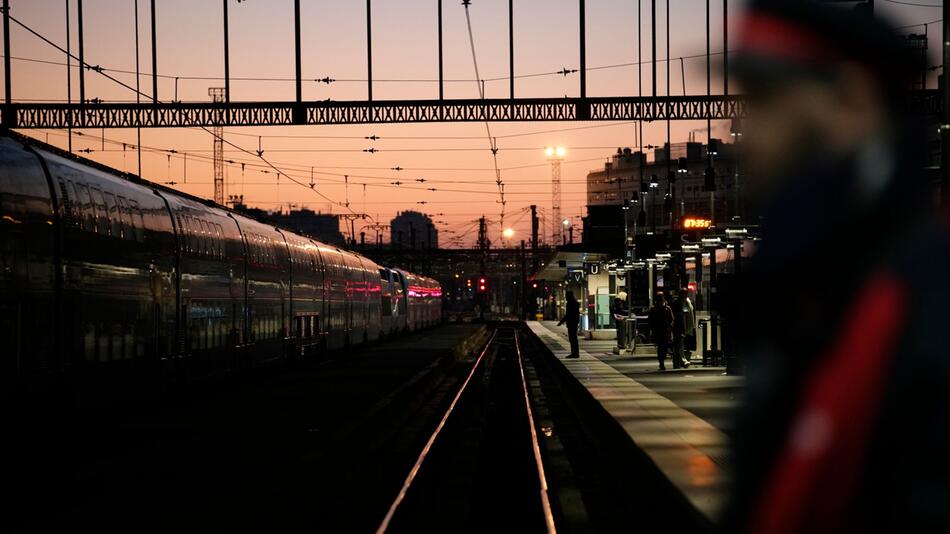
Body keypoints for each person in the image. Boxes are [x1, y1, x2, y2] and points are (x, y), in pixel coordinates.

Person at [722, 2, 950, 532]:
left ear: (853, 99)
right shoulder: (808, 287)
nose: (744, 135)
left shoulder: (919, 300)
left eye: (766, 101)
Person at [647, 292, 673, 371]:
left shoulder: (667, 308)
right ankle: (661, 361)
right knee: (661, 347)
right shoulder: (654, 309)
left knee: (664, 347)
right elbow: (650, 321)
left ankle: (662, 359)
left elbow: (672, 319)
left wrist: (670, 326)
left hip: (665, 330)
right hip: (658, 330)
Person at [671, 288, 693, 368]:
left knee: (679, 344)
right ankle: (679, 362)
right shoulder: (678, 302)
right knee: (678, 345)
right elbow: (678, 316)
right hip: (678, 327)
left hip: (680, 326)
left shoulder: (681, 302)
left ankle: (677, 363)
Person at [557, 291, 580, 359]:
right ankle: (575, 353)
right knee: (573, 338)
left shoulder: (570, 303)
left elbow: (568, 315)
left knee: (572, 338)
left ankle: (574, 353)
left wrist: (561, 322)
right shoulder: (574, 303)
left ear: (569, 296)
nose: (565, 297)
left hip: (571, 323)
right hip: (574, 323)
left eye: (566, 296)